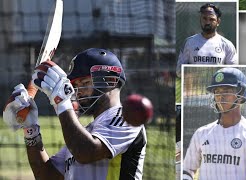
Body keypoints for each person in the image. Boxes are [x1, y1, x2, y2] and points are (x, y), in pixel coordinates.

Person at [3, 48, 147, 179]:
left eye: (84, 83)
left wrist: (61, 101)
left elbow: (86, 152)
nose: (78, 92)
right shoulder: (83, 133)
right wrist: (30, 130)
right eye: (75, 86)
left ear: (109, 81)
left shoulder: (127, 119)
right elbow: (47, 176)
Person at [183, 67, 246, 180]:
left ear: (241, 94)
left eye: (227, 91)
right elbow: (188, 169)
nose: (221, 96)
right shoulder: (201, 133)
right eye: (217, 92)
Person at [176, 3, 238, 77]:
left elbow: (234, 72)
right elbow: (179, 71)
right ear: (200, 19)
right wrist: (194, 74)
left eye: (211, 19)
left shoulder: (227, 45)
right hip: (194, 87)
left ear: (218, 22)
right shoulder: (189, 42)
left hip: (216, 87)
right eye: (204, 18)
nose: (207, 22)